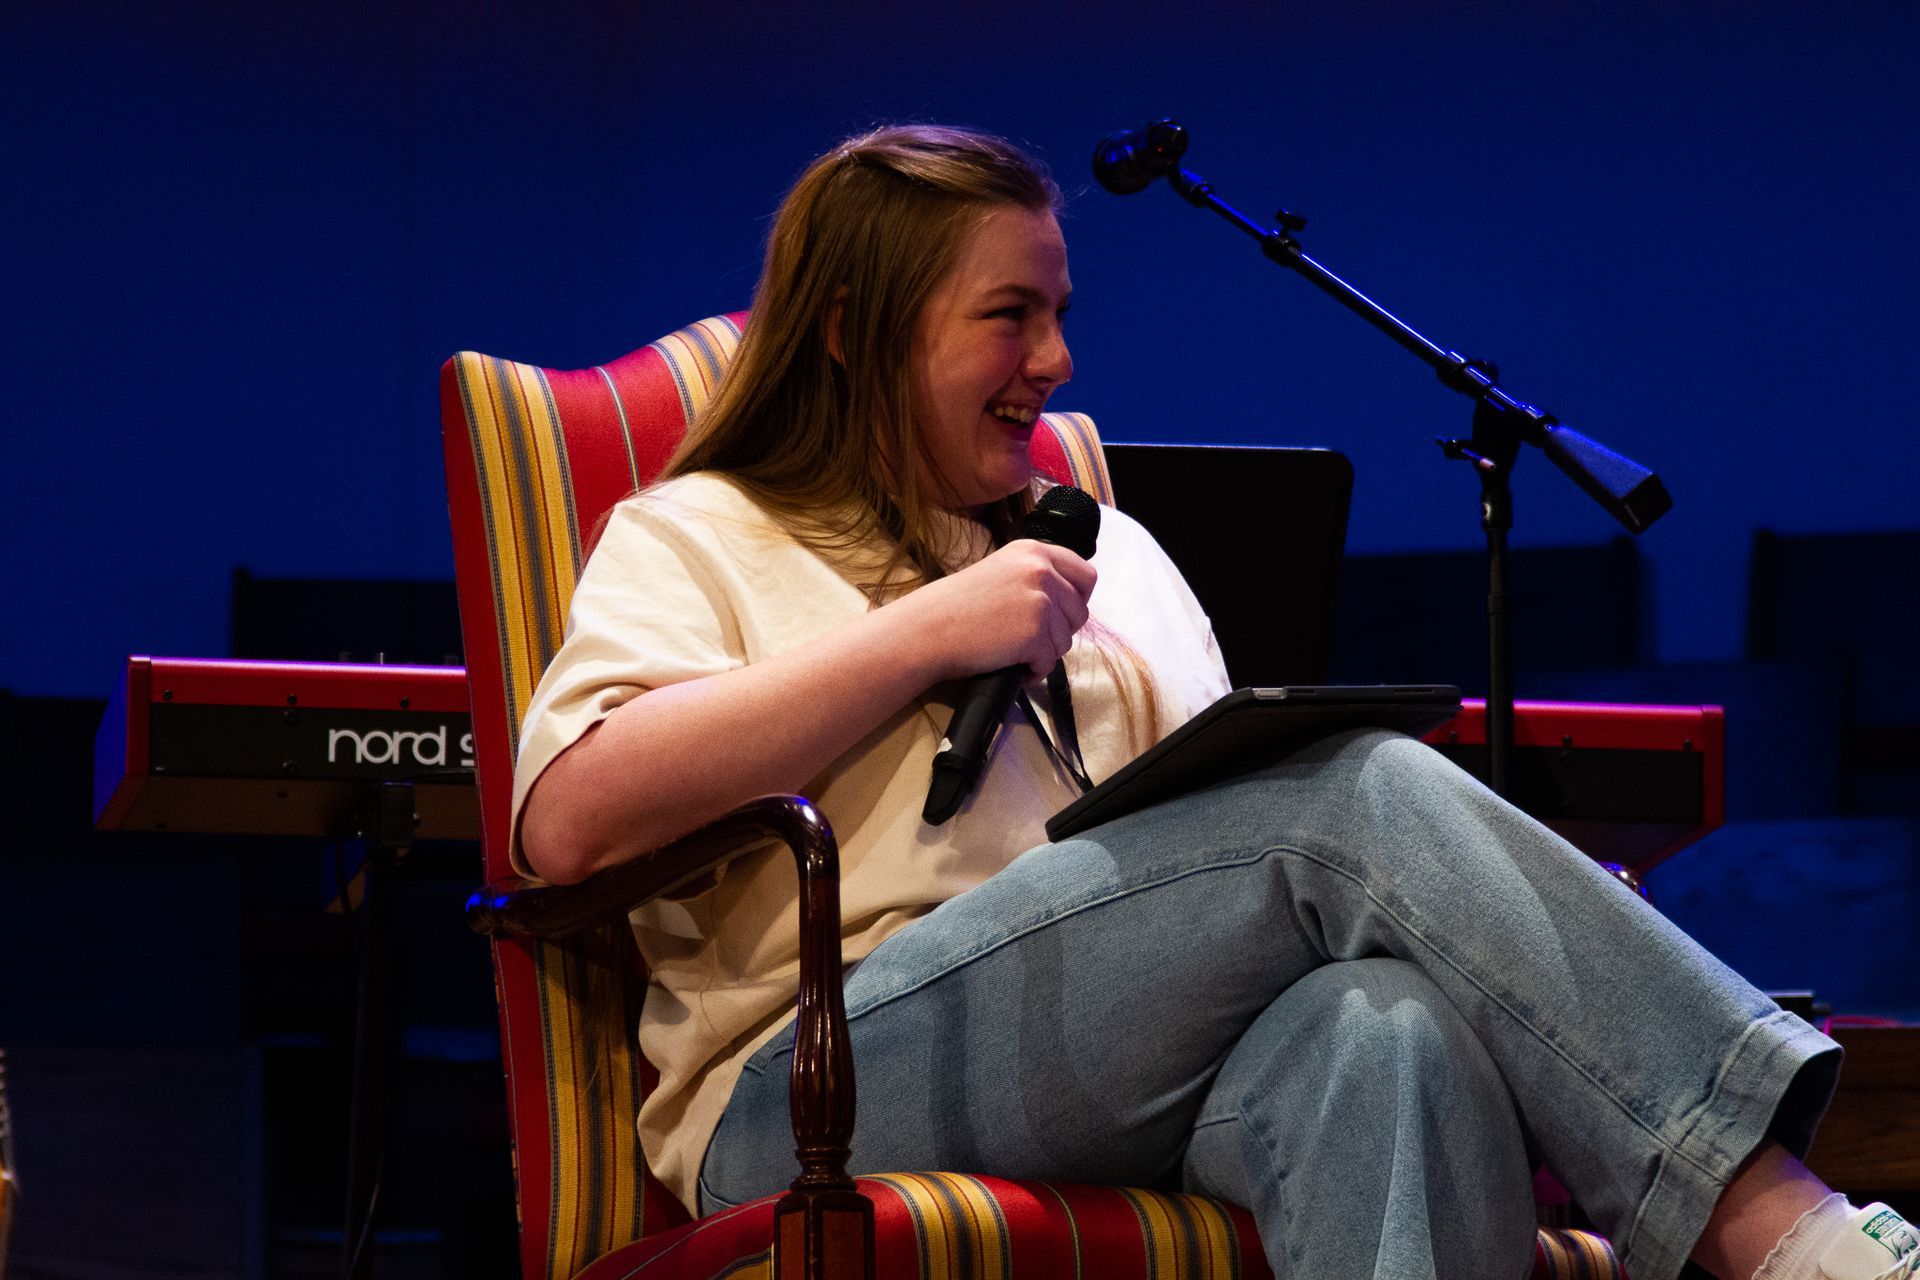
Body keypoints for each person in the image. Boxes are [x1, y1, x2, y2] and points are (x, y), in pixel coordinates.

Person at [510, 125, 1915, 1280]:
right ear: (851, 332)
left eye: (1060, 314)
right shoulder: (703, 529)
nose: (1057, 362)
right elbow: (569, 824)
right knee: (1354, 795)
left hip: (1122, 1058)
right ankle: (1776, 1228)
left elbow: (1212, 839)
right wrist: (922, 635)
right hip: (819, 1082)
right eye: (1010, 316)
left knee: (1391, 1036)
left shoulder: (1105, 546)